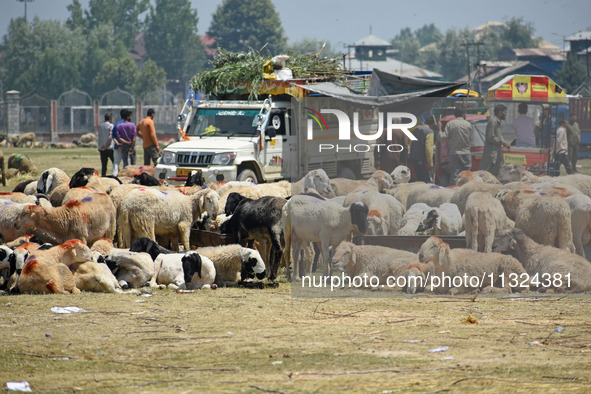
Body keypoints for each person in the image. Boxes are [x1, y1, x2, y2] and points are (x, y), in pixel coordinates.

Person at [438, 107, 472, 185]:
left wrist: (439, 128)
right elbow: (470, 139)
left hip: (455, 153)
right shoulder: (468, 124)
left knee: (455, 176)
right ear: (463, 114)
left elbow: (442, 138)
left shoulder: (450, 124)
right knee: (468, 176)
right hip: (466, 153)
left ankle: (454, 194)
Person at [479, 104, 511, 176]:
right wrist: (502, 142)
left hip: (496, 152)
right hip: (491, 153)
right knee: (485, 174)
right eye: (505, 112)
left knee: (497, 173)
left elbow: (499, 135)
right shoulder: (493, 121)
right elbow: (490, 137)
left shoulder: (497, 122)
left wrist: (504, 142)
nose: (506, 114)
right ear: (500, 113)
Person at [408, 115, 435, 183]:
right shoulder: (429, 131)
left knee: (418, 178)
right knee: (426, 180)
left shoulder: (416, 129)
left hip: (414, 158)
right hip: (423, 160)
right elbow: (429, 148)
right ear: (432, 124)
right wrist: (430, 162)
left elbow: (411, 143)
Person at [113, 109, 137, 174]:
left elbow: (120, 138)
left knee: (125, 163)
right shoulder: (132, 125)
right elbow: (134, 137)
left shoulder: (119, 126)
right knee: (133, 163)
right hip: (131, 145)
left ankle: (126, 175)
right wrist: (132, 146)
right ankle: (133, 175)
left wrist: (126, 142)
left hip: (124, 146)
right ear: (128, 116)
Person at [98, 112, 114, 177]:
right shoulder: (111, 125)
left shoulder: (100, 126)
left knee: (104, 165)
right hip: (109, 147)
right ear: (110, 118)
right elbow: (110, 137)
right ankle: (117, 175)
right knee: (115, 163)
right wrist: (106, 145)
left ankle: (103, 176)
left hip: (101, 147)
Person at [111, 109, 127, 176]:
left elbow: (113, 136)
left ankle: (114, 175)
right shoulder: (128, 125)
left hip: (117, 146)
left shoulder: (116, 125)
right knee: (126, 163)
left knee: (116, 163)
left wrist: (117, 143)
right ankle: (125, 175)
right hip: (126, 146)